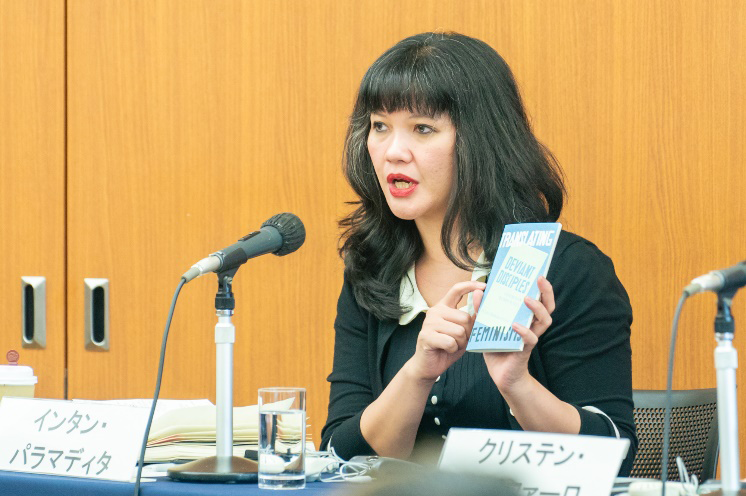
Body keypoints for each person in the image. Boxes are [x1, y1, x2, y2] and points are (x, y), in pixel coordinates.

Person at [321, 31, 637, 475]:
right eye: (379, 126)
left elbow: (615, 456)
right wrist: (418, 373)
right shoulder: (373, 269)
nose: (393, 152)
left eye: (423, 128)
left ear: (480, 141)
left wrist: (517, 385)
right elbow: (340, 456)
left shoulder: (567, 269)